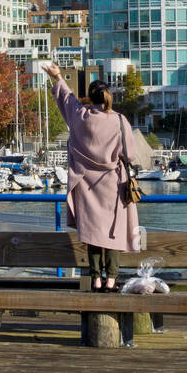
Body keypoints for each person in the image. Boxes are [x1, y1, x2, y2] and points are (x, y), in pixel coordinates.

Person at [44, 64, 143, 290]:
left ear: (90, 97)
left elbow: (66, 98)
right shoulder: (119, 120)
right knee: (112, 233)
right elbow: (130, 154)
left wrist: (57, 75)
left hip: (86, 183)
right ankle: (111, 280)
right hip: (113, 184)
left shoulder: (80, 116)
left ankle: (96, 278)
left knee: (92, 233)